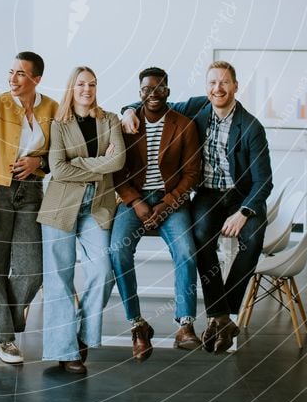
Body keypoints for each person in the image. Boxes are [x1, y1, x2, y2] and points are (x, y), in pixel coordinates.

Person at [122, 60, 273, 353]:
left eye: (225, 82)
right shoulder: (197, 107)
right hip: (208, 195)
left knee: (252, 240)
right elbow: (152, 99)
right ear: (207, 87)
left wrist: (243, 213)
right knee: (201, 236)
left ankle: (221, 314)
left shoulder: (252, 127)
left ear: (236, 87)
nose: (218, 88)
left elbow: (263, 182)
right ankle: (220, 318)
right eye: (213, 82)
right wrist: (127, 111)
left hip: (242, 197)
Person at [37, 66, 126, 374]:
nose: (87, 89)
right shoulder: (58, 124)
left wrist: (80, 163)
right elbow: (58, 170)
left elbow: (119, 160)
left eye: (92, 84)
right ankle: (65, 349)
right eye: (81, 84)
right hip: (60, 206)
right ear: (71, 88)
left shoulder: (110, 119)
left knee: (103, 271)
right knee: (59, 280)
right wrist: (100, 166)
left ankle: (83, 335)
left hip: (97, 206)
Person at [110, 67, 201, 361]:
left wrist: (167, 204)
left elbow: (191, 173)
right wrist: (135, 202)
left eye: (159, 88)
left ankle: (185, 325)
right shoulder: (126, 124)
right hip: (133, 199)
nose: (153, 94)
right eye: (147, 89)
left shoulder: (184, 125)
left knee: (186, 250)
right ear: (139, 94)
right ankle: (137, 325)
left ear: (168, 92)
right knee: (117, 250)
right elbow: (117, 171)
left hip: (171, 200)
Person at [0, 51, 58, 364]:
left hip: (32, 191)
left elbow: (59, 152)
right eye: (11, 72)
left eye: (21, 73)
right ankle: (3, 339)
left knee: (32, 269)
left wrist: (40, 161)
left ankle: (1, 324)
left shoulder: (51, 108)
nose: (12, 79)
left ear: (36, 78)